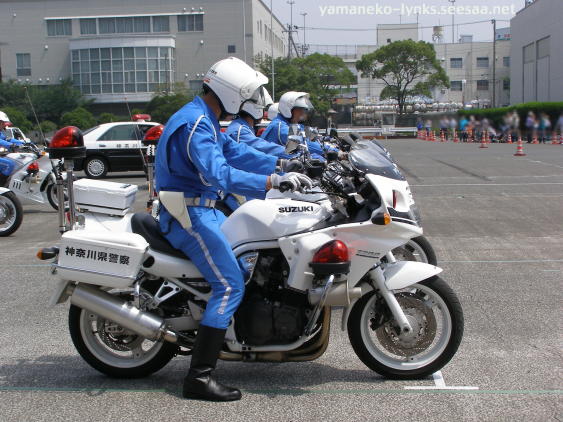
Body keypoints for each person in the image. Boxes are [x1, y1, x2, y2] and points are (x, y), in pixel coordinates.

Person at [154, 57, 312, 402]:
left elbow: (235, 150)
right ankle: (198, 378)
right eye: (245, 97)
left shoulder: (204, 117)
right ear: (229, 94)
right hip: (190, 214)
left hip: (203, 208)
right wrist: (273, 180)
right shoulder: (195, 124)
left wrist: (282, 163)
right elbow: (219, 173)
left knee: (245, 265)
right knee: (228, 284)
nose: (248, 104)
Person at [261, 91, 336, 157]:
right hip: (277, 169)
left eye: (304, 110)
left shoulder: (291, 124)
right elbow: (304, 143)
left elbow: (308, 133)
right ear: (288, 110)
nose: (302, 113)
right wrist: (334, 151)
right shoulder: (280, 127)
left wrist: (324, 138)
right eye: (300, 110)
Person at [225, 95, 295, 159]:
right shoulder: (281, 126)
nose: (303, 115)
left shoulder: (242, 126)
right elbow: (261, 146)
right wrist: (293, 153)